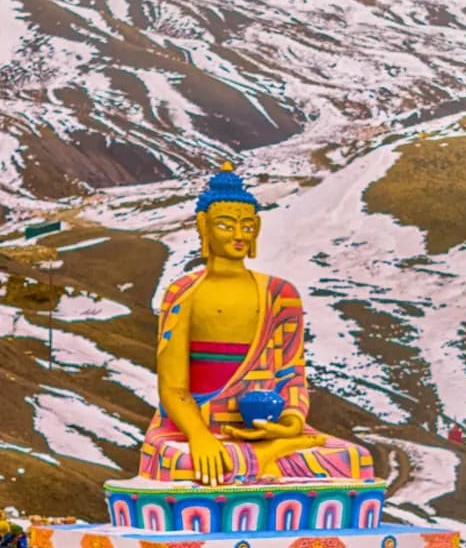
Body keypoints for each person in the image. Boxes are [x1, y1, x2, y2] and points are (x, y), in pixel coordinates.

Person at [137, 162, 373, 486]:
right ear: (204, 226)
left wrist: (290, 421)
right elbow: (174, 388)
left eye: (247, 226)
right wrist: (198, 435)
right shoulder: (184, 293)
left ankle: (276, 448)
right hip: (197, 426)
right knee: (186, 464)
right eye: (226, 225)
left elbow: (291, 373)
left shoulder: (281, 294)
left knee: (351, 459)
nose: (238, 235)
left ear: (257, 229)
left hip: (263, 428)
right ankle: (269, 456)